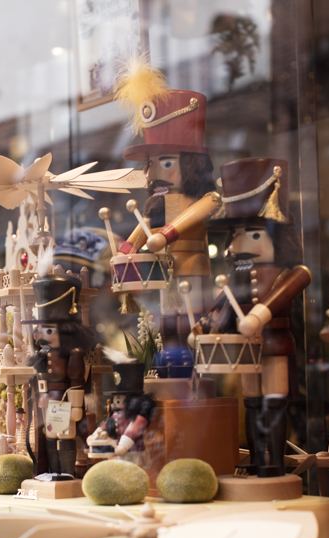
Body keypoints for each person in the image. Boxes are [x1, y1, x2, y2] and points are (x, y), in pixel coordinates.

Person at [193, 158, 312, 478]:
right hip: (248, 350)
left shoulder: (291, 272)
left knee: (273, 403)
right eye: (236, 236)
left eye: (251, 236)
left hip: (275, 345)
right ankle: (260, 460)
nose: (235, 248)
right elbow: (221, 306)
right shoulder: (238, 278)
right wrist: (203, 325)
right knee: (252, 403)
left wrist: (258, 316)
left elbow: (285, 292)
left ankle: (273, 464)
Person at [114, 63, 220, 378]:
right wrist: (126, 249)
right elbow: (141, 230)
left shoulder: (204, 197)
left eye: (167, 162)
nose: (155, 172)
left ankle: (191, 378)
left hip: (191, 271)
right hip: (164, 274)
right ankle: (173, 376)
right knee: (168, 324)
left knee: (190, 323)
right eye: (152, 164)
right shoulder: (157, 204)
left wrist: (167, 235)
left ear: (191, 165)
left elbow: (201, 210)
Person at [24, 273, 95, 479]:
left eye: (47, 330)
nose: (39, 335)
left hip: (65, 403)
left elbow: (76, 382)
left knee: (65, 435)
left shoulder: (73, 355)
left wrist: (75, 406)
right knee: (50, 434)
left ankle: (66, 472)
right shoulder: (44, 356)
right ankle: (53, 472)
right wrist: (42, 396)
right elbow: (42, 380)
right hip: (51, 404)